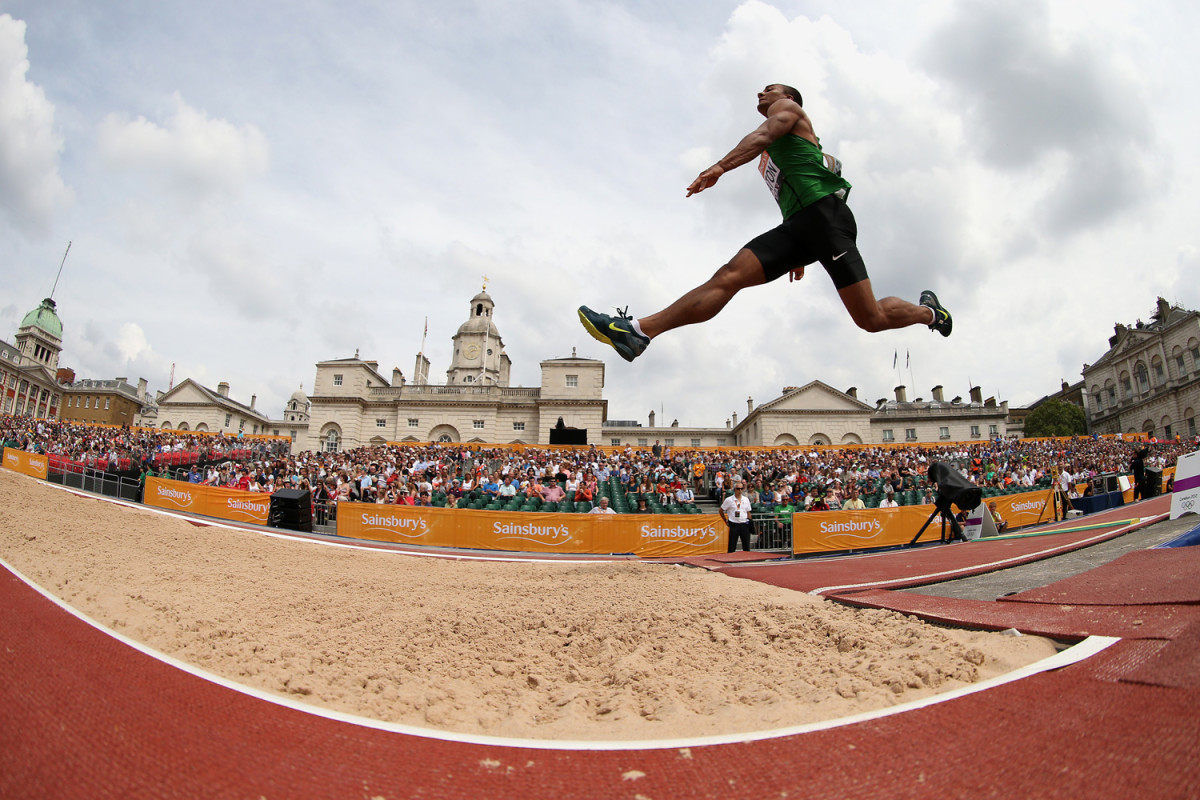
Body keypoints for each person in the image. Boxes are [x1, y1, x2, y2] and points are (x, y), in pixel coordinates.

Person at [579, 83, 951, 362]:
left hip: (826, 218)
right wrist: (801, 253)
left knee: (870, 318)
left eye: (769, 88)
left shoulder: (788, 110)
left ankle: (931, 313)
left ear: (790, 98)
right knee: (729, 276)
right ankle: (637, 332)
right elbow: (792, 187)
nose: (762, 92)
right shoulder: (778, 155)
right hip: (801, 226)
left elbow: (765, 137)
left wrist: (721, 167)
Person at [720, 483, 754, 553]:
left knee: (746, 545)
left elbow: (748, 512)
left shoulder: (746, 499)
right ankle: (730, 560)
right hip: (734, 524)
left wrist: (750, 522)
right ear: (735, 489)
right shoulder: (729, 500)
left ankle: (747, 560)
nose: (740, 490)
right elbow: (721, 510)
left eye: (741, 489)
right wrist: (725, 520)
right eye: (738, 489)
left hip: (744, 524)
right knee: (732, 546)